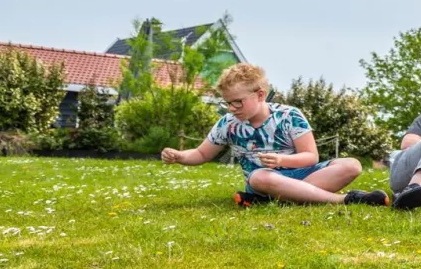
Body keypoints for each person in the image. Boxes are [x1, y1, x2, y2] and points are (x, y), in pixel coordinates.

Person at [160, 63, 389, 207]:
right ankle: (345, 199)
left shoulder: (290, 115)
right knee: (259, 177)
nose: (232, 108)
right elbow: (201, 153)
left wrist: (282, 160)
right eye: (227, 103)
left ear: (260, 95)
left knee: (352, 165)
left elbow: (310, 157)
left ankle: (280, 201)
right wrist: (180, 156)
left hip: (302, 174)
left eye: (238, 102)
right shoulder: (227, 124)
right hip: (265, 182)